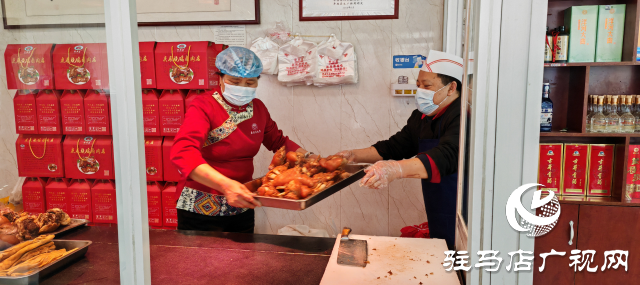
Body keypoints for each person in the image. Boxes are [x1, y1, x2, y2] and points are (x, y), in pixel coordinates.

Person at [170, 47, 311, 233]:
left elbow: (279, 143)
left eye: (250, 83)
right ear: (220, 78)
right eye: (234, 82)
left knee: (243, 259)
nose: (242, 88)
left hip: (242, 204)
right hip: (200, 208)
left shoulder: (258, 108)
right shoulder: (203, 105)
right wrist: (226, 185)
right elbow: (183, 152)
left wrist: (312, 160)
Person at [336, 50, 463, 249]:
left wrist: (395, 170)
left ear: (451, 88)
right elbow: (395, 146)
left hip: (461, 211)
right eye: (418, 85)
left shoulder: (462, 116)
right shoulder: (422, 117)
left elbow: (446, 155)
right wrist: (353, 156)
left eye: (427, 86)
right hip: (437, 205)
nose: (420, 91)